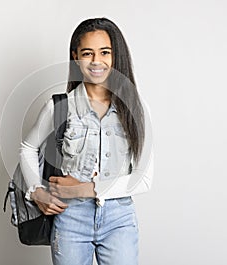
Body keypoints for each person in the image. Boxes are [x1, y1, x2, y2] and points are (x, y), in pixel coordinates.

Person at [19, 17, 154, 265]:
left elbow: (144, 179)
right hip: (71, 218)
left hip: (119, 219)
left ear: (116, 56)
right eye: (87, 53)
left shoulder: (136, 109)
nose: (96, 61)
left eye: (105, 52)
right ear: (75, 57)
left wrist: (84, 188)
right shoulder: (60, 106)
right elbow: (28, 148)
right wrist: (36, 192)